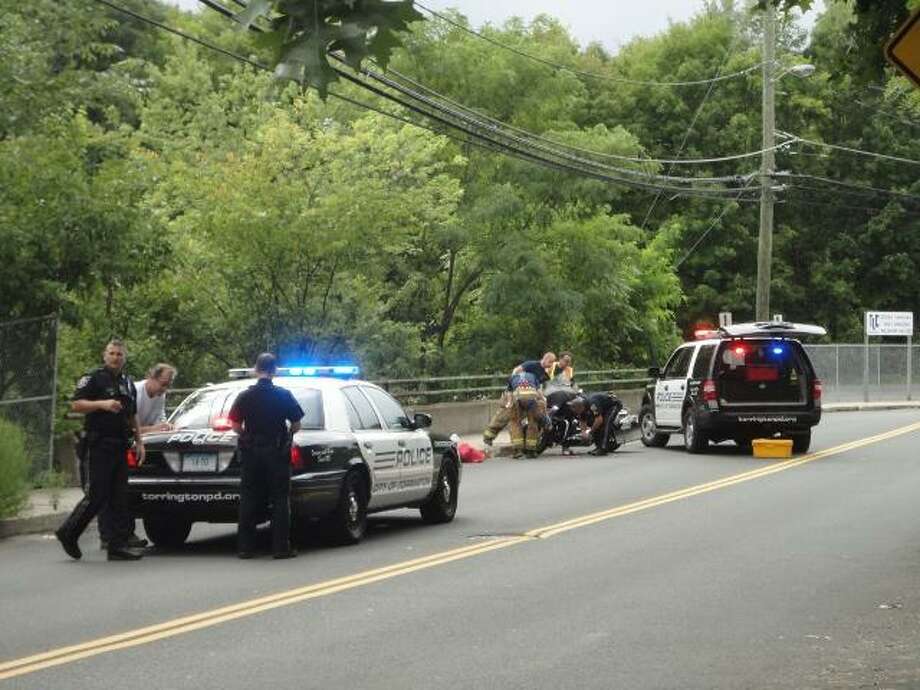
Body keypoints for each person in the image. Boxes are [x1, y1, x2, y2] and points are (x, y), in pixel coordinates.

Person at [55, 339, 146, 561]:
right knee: (96, 495)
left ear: (124, 358)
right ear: (104, 355)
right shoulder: (93, 378)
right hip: (98, 444)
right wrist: (102, 404)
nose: (115, 357)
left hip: (119, 444)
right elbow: (76, 405)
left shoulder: (127, 381)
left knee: (119, 496)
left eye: (119, 354)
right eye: (112, 353)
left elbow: (132, 414)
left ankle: (116, 546)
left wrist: (139, 441)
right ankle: (68, 532)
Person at [228, 353, 304, 560]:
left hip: (251, 452)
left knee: (249, 498)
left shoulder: (244, 396)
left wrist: (248, 437)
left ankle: (245, 548)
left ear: (256, 369)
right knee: (280, 499)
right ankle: (280, 547)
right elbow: (296, 424)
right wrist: (286, 435)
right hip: (277, 452)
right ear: (274, 370)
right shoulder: (283, 395)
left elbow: (235, 426)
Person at [482, 352, 556, 449]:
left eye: (552, 363)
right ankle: (488, 438)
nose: (550, 365)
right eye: (550, 362)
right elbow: (516, 371)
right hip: (513, 393)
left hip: (528, 397)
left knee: (525, 419)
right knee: (503, 416)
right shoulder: (532, 364)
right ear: (545, 358)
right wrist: (513, 387)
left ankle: (525, 445)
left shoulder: (543, 372)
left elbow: (537, 386)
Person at [567, 392, 624, 456]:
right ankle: (598, 447)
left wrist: (590, 432)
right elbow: (582, 421)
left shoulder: (592, 405)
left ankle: (603, 448)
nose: (577, 413)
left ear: (581, 407)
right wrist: (584, 433)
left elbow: (599, 420)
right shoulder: (582, 408)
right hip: (602, 407)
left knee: (606, 424)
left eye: (577, 411)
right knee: (594, 424)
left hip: (613, 406)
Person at [135, 363, 177, 434]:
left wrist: (167, 427)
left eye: (168, 386)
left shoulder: (160, 395)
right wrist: (153, 428)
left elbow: (160, 420)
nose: (165, 389)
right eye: (163, 384)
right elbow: (128, 429)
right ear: (152, 378)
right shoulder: (135, 392)